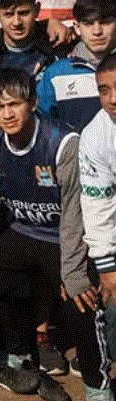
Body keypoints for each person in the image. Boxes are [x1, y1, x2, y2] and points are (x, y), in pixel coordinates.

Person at [0, 68, 110, 401]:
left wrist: (72, 271)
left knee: (82, 301)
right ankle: (20, 359)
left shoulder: (63, 142)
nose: (7, 114)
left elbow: (74, 213)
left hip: (62, 235)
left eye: (15, 104)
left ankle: (97, 386)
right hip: (22, 229)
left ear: (34, 103)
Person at [80, 53, 116, 374]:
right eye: (104, 90)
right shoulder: (94, 135)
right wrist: (107, 265)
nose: (113, 99)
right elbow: (97, 205)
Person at [38, 0, 116, 133]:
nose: (97, 31)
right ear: (77, 27)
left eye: (105, 23)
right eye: (88, 24)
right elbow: (39, 123)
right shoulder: (57, 73)